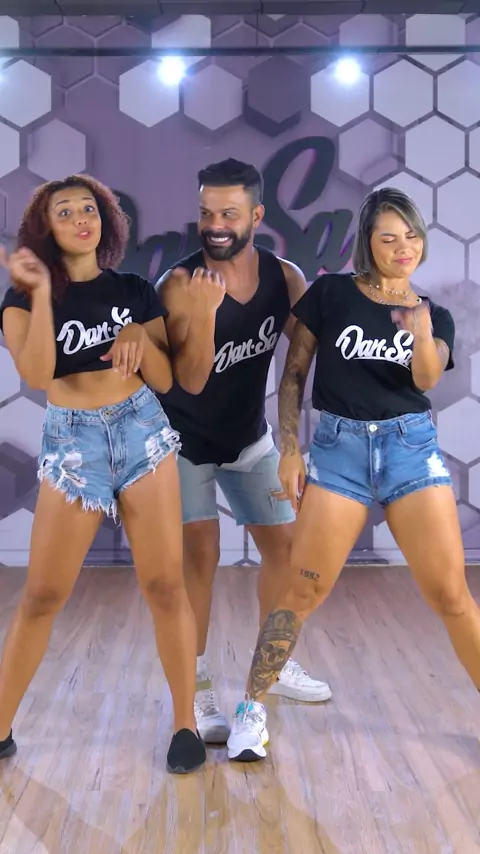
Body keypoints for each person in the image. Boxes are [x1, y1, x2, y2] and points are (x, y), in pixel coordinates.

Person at [226, 186, 480, 762]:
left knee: (450, 594)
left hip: (410, 450)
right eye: (389, 237)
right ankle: (251, 710)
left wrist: (419, 330)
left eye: (411, 236)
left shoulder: (434, 314)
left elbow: (427, 379)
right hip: (338, 451)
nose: (403, 247)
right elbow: (294, 373)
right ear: (368, 242)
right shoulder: (333, 294)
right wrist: (290, 448)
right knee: (304, 588)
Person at [0, 175, 205, 774]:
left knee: (164, 585)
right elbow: (38, 374)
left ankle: (186, 724)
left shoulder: (135, 290)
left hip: (141, 431)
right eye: (64, 212)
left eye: (88, 208)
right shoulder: (20, 298)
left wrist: (140, 336)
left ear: (105, 220)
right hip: (74, 442)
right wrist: (41, 293)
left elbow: (164, 380)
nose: (79, 219)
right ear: (46, 228)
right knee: (43, 594)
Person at [157, 158, 332, 744]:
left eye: (229, 214)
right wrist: (205, 316)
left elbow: (305, 357)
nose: (215, 225)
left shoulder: (285, 277)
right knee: (200, 555)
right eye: (206, 213)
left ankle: (272, 667)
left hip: (248, 437)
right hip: (183, 440)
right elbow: (189, 381)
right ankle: (198, 683)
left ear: (256, 215)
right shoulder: (178, 284)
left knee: (286, 546)